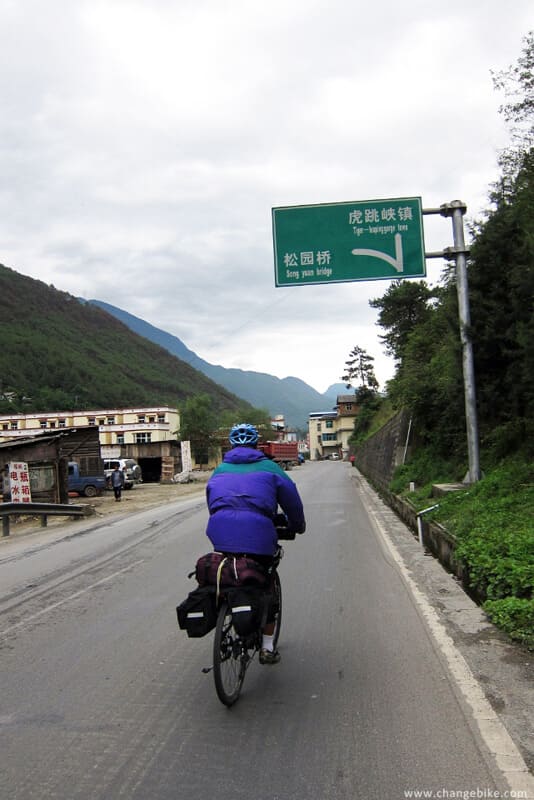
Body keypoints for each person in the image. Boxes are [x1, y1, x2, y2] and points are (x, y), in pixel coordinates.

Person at [205, 423, 306, 665]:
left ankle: (226, 609)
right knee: (266, 583)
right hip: (259, 535)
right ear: (256, 445)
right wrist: (297, 525)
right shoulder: (271, 468)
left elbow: (213, 503)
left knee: (228, 571)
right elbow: (292, 502)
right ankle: (267, 648)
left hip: (219, 532)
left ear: (231, 446)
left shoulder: (219, 471)